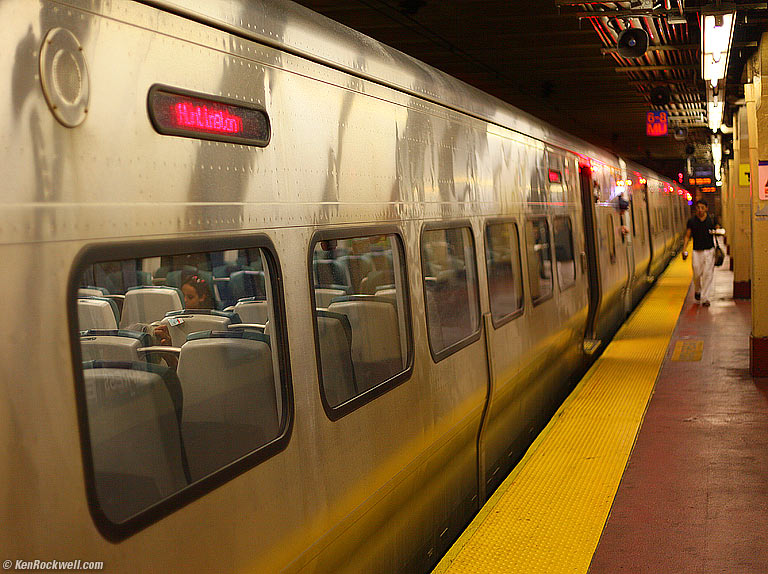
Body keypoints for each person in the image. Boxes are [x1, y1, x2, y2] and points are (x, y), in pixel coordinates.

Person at [682, 199, 723, 307]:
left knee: (707, 274)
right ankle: (697, 290)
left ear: (706, 208)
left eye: (702, 208)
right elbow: (687, 235)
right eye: (698, 208)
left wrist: (717, 230)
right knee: (696, 273)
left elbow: (718, 229)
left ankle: (705, 298)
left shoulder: (711, 220)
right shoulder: (692, 221)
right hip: (697, 251)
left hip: (709, 251)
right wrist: (684, 249)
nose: (700, 210)